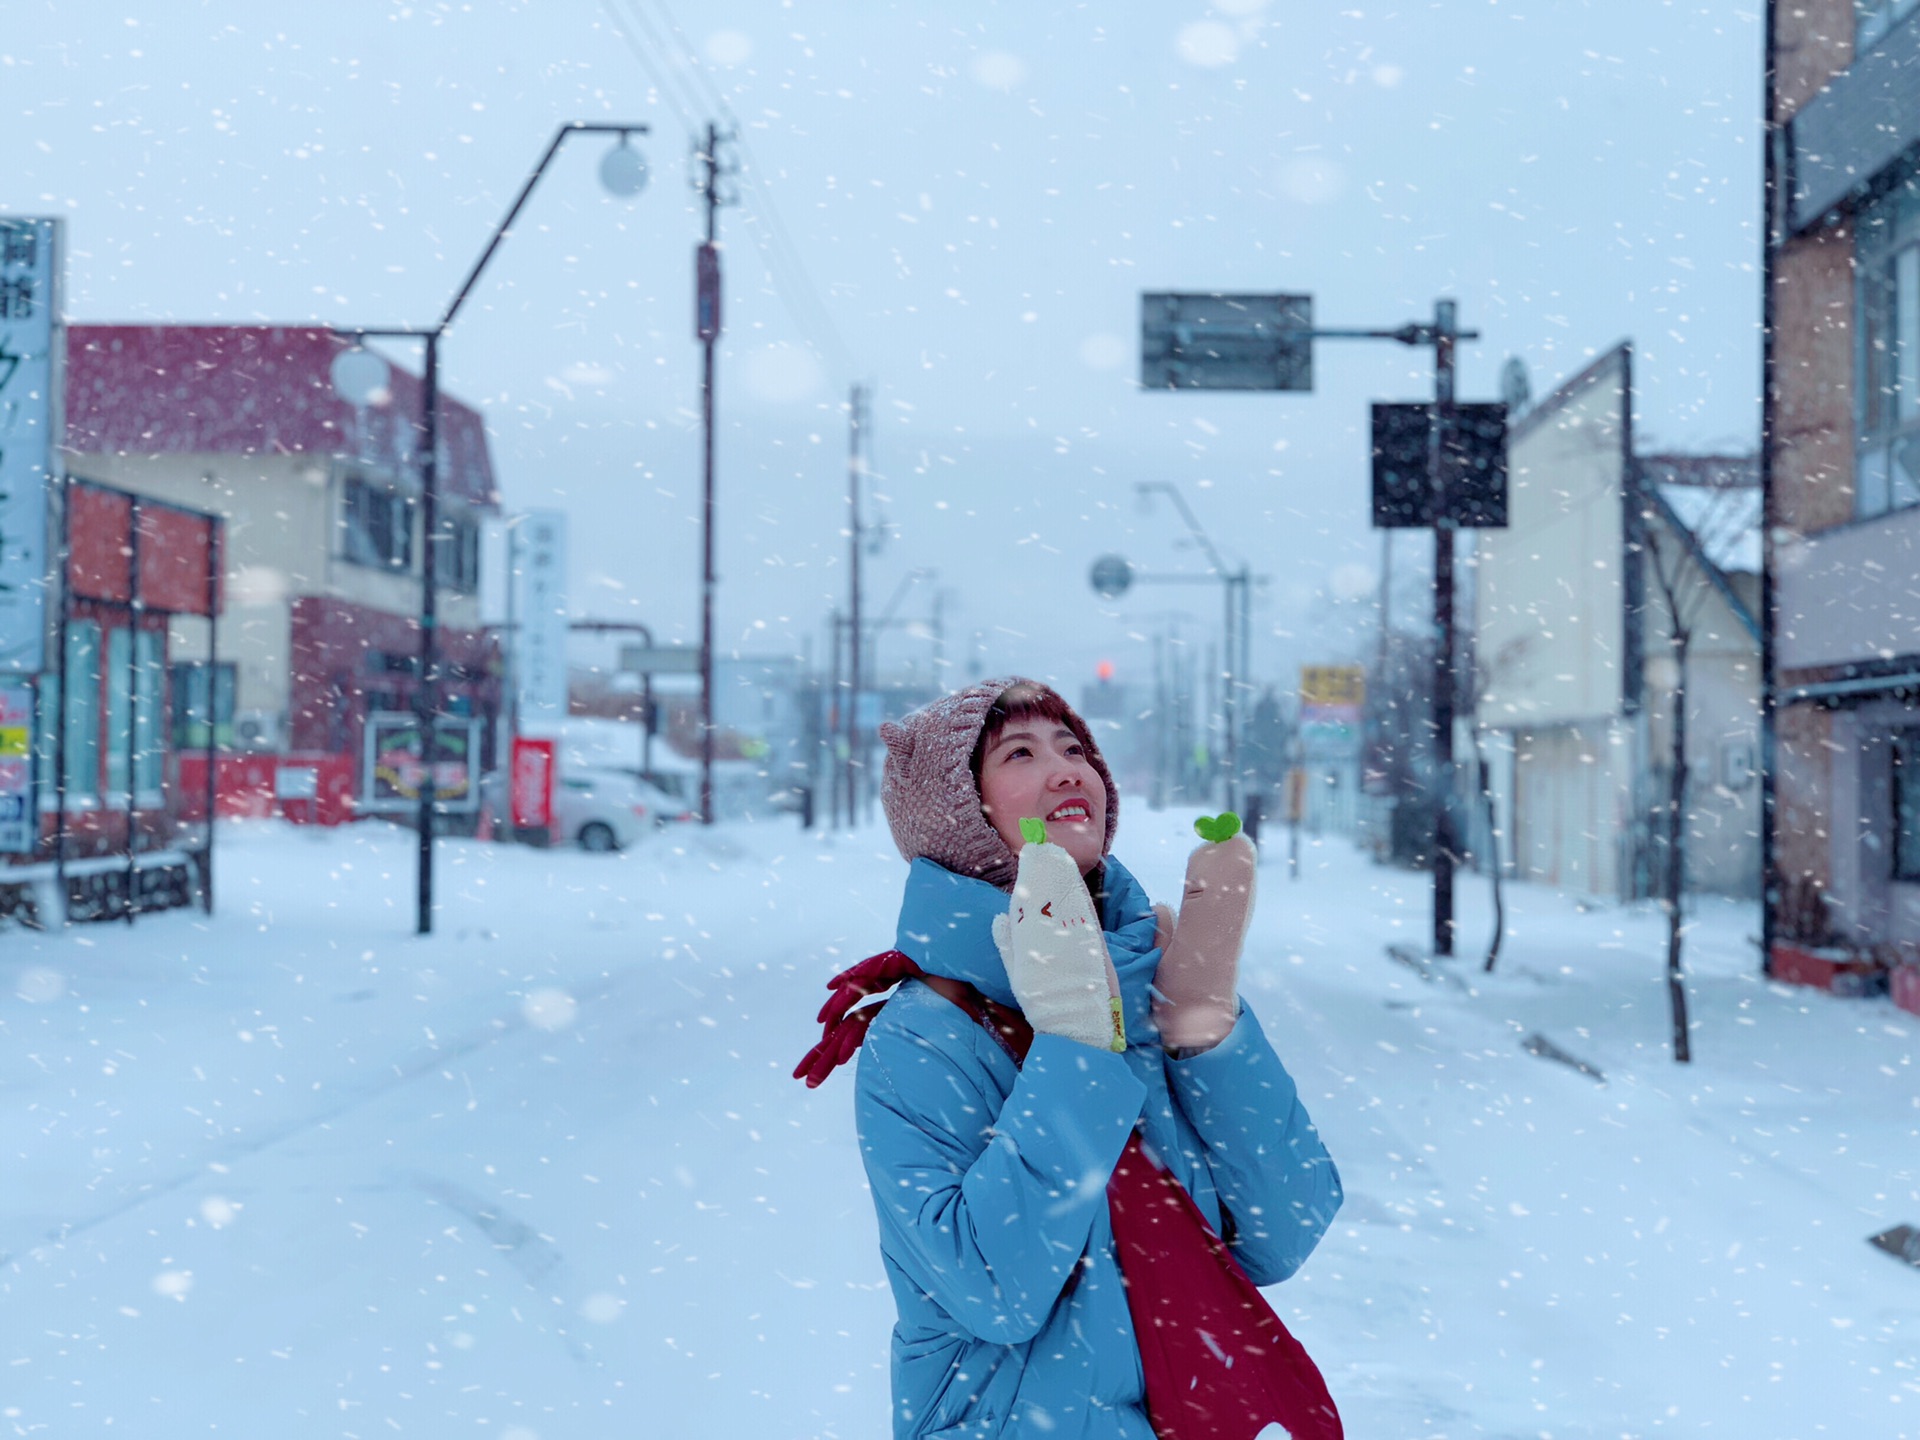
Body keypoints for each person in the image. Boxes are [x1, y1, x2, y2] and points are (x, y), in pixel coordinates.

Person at [803, 678, 1342, 1439]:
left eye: (1075, 747)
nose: (1067, 769)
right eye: (1019, 752)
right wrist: (1074, 1046)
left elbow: (1282, 1231)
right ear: (960, 815)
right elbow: (993, 1290)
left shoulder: (1145, 985)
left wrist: (1206, 1027)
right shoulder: (925, 1034)